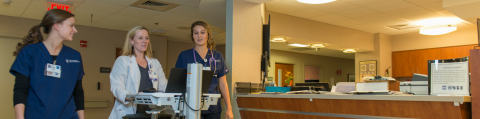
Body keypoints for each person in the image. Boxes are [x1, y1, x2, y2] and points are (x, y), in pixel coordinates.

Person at [10, 9, 84, 119]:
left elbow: (78, 93)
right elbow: (20, 89)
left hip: (68, 116)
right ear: (57, 26)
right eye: (71, 25)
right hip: (37, 115)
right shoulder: (30, 52)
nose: (75, 30)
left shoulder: (75, 56)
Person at [175, 21, 233, 119]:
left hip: (213, 108)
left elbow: (223, 84)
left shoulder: (217, 56)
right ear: (192, 36)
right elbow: (178, 82)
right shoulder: (184, 56)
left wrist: (229, 108)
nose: (199, 36)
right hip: (191, 106)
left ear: (208, 35)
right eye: (196, 33)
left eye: (202, 32)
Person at [109, 26, 168, 119]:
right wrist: (134, 96)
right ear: (131, 41)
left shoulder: (155, 63)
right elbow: (117, 88)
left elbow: (164, 87)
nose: (144, 41)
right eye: (140, 38)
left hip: (150, 112)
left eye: (146, 38)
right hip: (129, 112)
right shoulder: (123, 61)